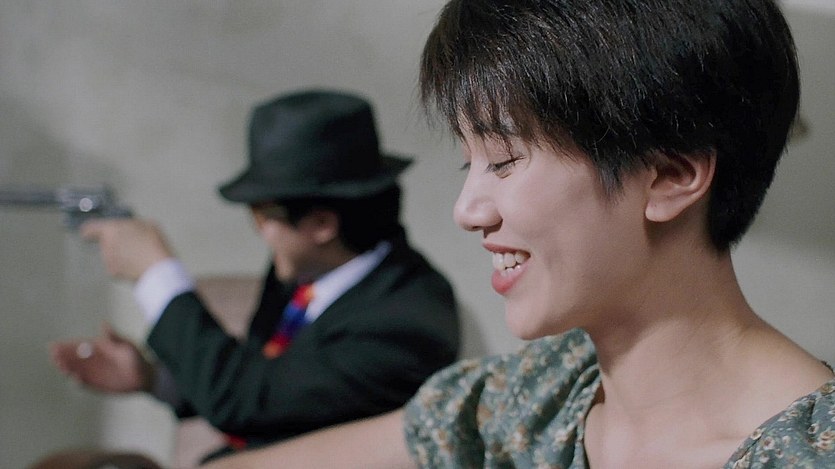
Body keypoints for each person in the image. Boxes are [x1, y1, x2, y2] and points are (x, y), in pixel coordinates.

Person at [201, 0, 835, 467]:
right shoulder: (532, 398)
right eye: (468, 164)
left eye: (504, 160)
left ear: (670, 176)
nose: (467, 211)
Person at [49, 89, 460, 462]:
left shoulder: (408, 318)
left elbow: (243, 400)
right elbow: (269, 389)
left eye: (262, 216)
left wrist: (155, 273)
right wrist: (152, 379)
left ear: (321, 224)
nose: (258, 231)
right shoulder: (305, 271)